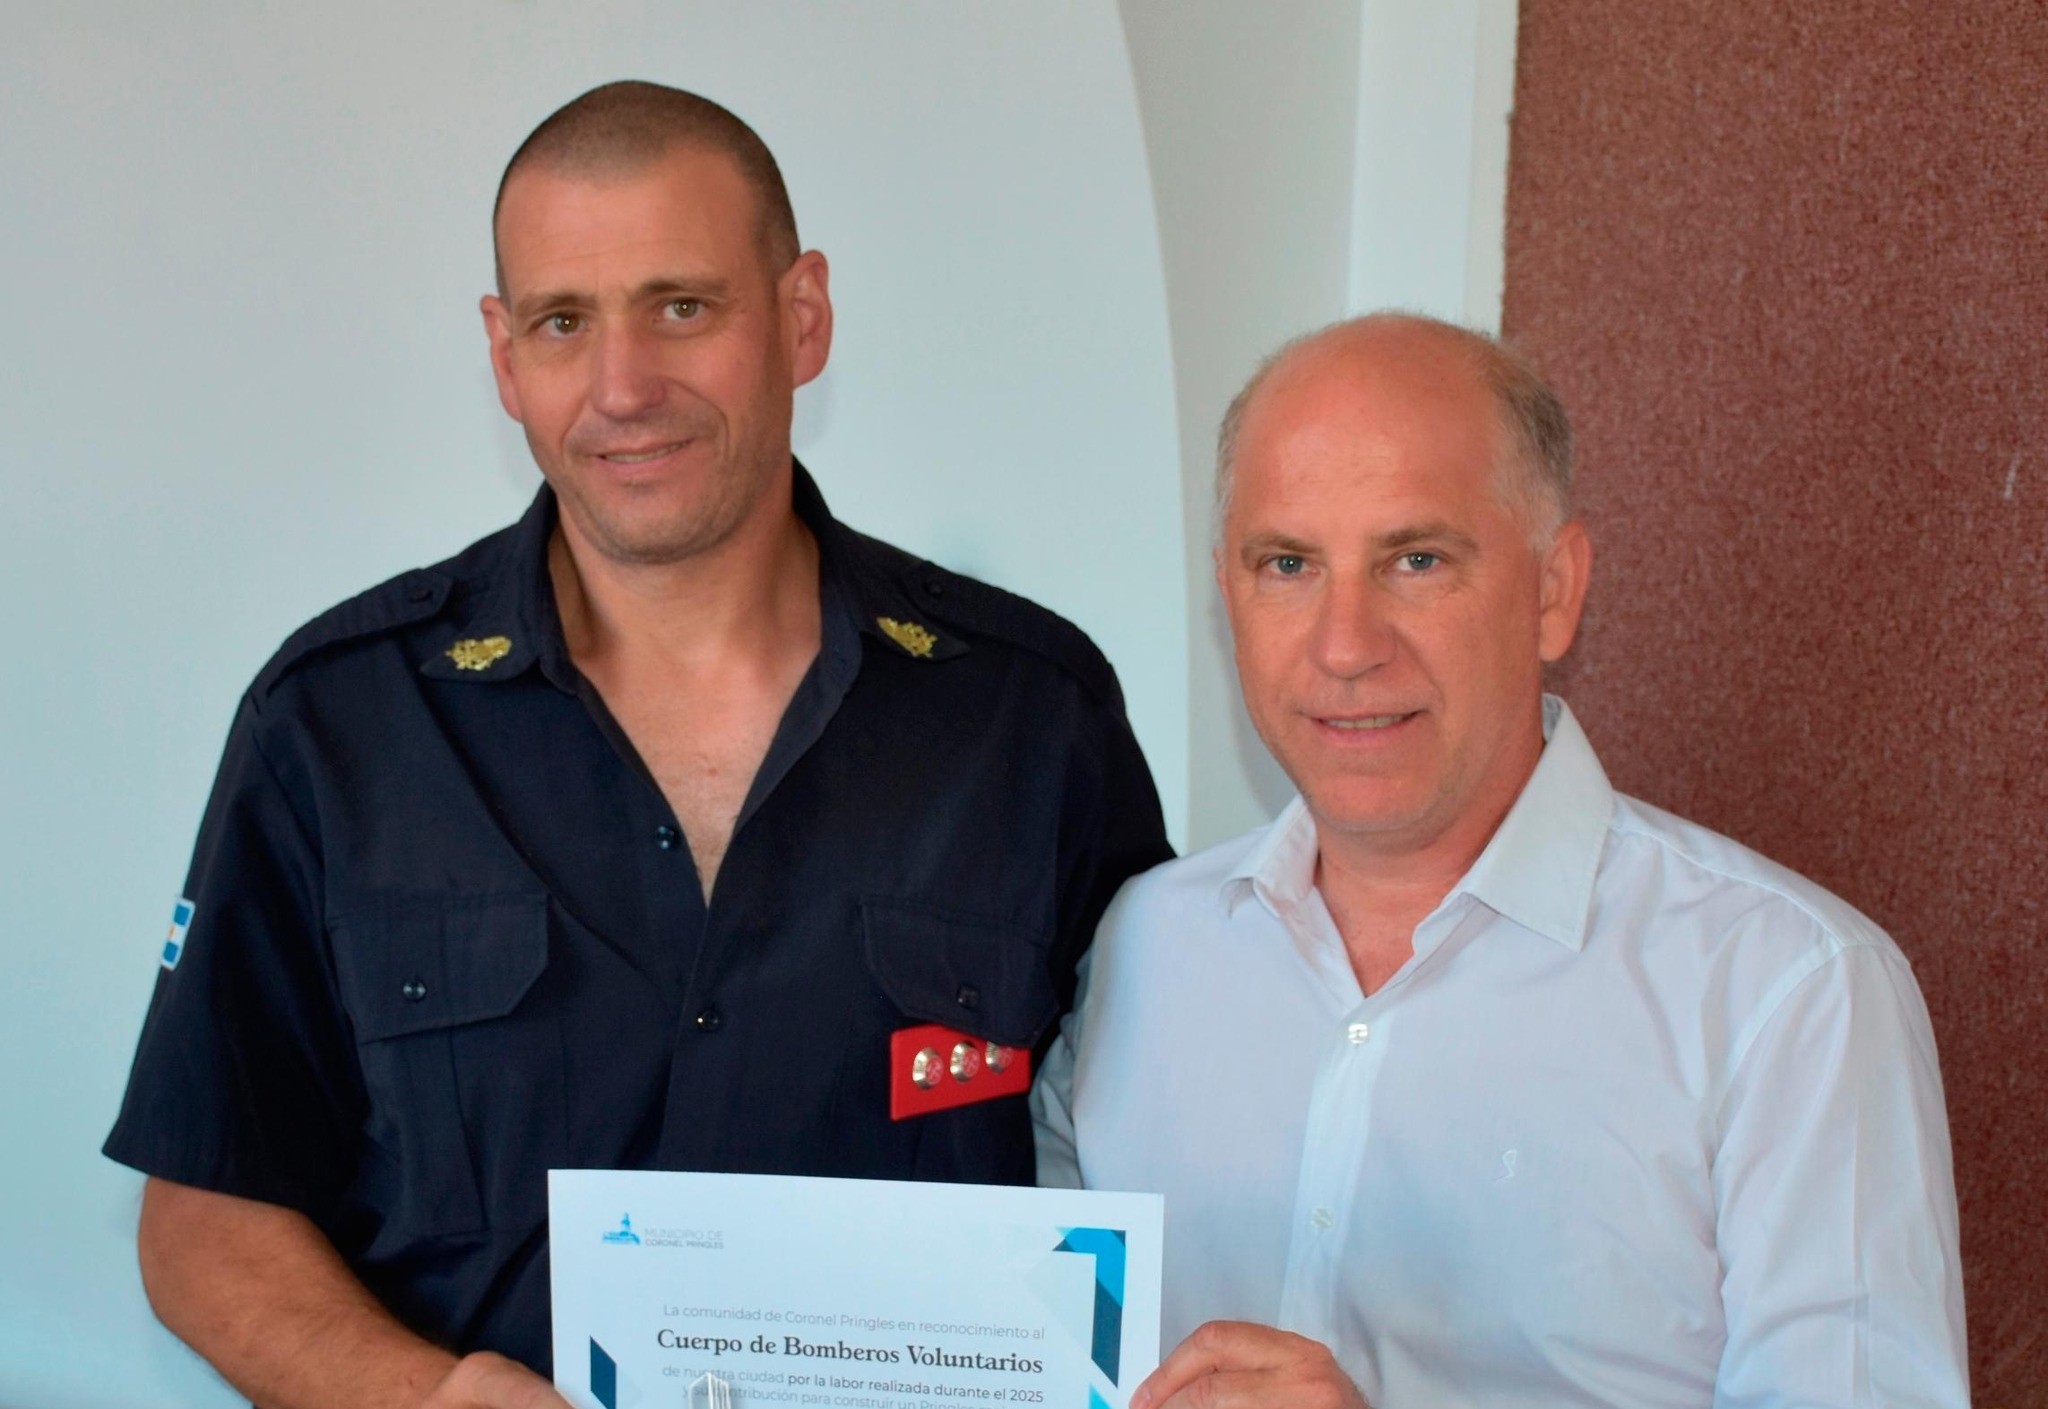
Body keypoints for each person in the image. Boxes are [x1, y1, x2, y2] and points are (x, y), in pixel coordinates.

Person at [104, 81, 1170, 1409]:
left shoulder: (1029, 717)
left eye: (681, 307)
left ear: (802, 316)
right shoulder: (339, 723)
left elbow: (1164, 1145)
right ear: (504, 355)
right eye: (564, 321)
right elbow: (204, 1212)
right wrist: (425, 1399)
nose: (623, 388)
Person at [1034, 313, 1967, 1409]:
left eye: (1416, 560)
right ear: (1225, 593)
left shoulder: (1789, 994)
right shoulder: (1141, 945)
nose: (1345, 644)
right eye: (1287, 564)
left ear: (1553, 589)